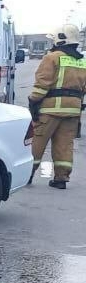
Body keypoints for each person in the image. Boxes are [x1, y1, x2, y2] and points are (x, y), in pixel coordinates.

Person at [29, 23, 86, 190]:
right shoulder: (82, 62)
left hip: (49, 110)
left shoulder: (52, 58)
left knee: (37, 142)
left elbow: (42, 84)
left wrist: (33, 101)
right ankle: (61, 178)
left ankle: (27, 174)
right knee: (65, 144)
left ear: (61, 40)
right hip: (73, 111)